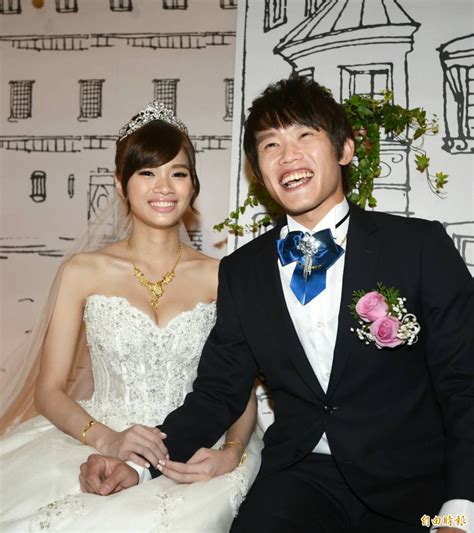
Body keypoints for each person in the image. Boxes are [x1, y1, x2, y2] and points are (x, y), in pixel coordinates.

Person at [82, 77, 474, 533]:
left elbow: (464, 383)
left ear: (345, 149)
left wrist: (460, 510)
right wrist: (140, 465)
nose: (288, 156)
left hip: (413, 485)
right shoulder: (243, 271)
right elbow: (217, 393)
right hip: (301, 478)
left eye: (305, 135)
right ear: (259, 171)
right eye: (271, 145)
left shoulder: (418, 246)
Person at [0, 101, 262, 532]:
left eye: (178, 173)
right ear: (120, 185)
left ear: (193, 186)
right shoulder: (83, 271)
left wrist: (232, 451)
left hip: (198, 444)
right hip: (96, 436)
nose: (164, 187)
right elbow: (48, 390)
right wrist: (106, 438)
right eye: (147, 173)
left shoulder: (222, 277)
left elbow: (239, 389)